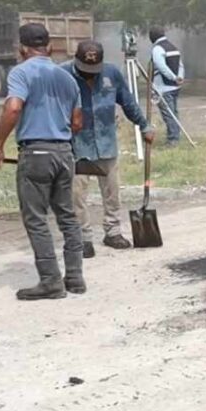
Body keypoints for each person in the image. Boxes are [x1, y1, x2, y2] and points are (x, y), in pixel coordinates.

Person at [0, 23, 85, 300]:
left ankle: (51, 281)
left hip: (36, 153)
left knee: (36, 218)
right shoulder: (68, 78)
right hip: (64, 153)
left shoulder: (21, 72)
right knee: (67, 216)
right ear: (49, 47)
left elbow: (14, 107)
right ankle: (75, 277)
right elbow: (77, 122)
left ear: (22, 49)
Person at [65, 40, 156, 257]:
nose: (90, 75)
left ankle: (113, 231)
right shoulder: (63, 75)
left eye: (94, 70)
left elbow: (128, 102)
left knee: (112, 191)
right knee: (76, 194)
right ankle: (83, 237)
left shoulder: (111, 73)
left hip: (106, 142)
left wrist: (144, 125)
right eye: (85, 70)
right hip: (77, 145)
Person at [148, 26, 184, 146]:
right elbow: (180, 65)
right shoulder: (173, 47)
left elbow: (161, 67)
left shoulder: (158, 49)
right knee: (174, 112)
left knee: (168, 114)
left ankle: (173, 139)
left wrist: (173, 78)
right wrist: (179, 77)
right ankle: (176, 136)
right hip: (174, 87)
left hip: (163, 87)